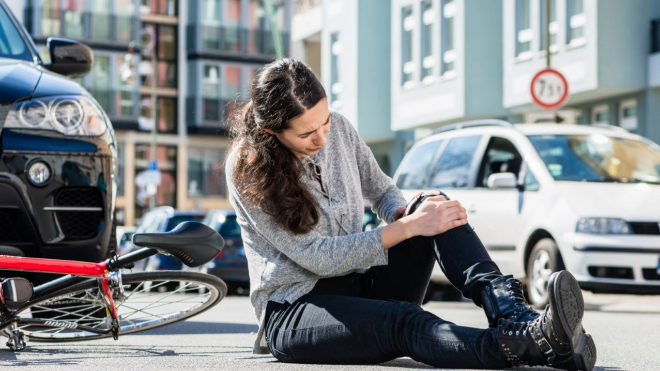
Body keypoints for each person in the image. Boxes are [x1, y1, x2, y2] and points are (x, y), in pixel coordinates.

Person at [225, 58, 597, 370]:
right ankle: (531, 345)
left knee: (433, 203)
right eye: (307, 134)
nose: (322, 139)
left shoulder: (339, 129)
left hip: (360, 283)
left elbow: (383, 192)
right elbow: (317, 257)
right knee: (403, 321)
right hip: (297, 309)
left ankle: (513, 316)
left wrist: (411, 215)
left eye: (324, 123)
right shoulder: (248, 169)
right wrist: (407, 228)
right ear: (272, 131)